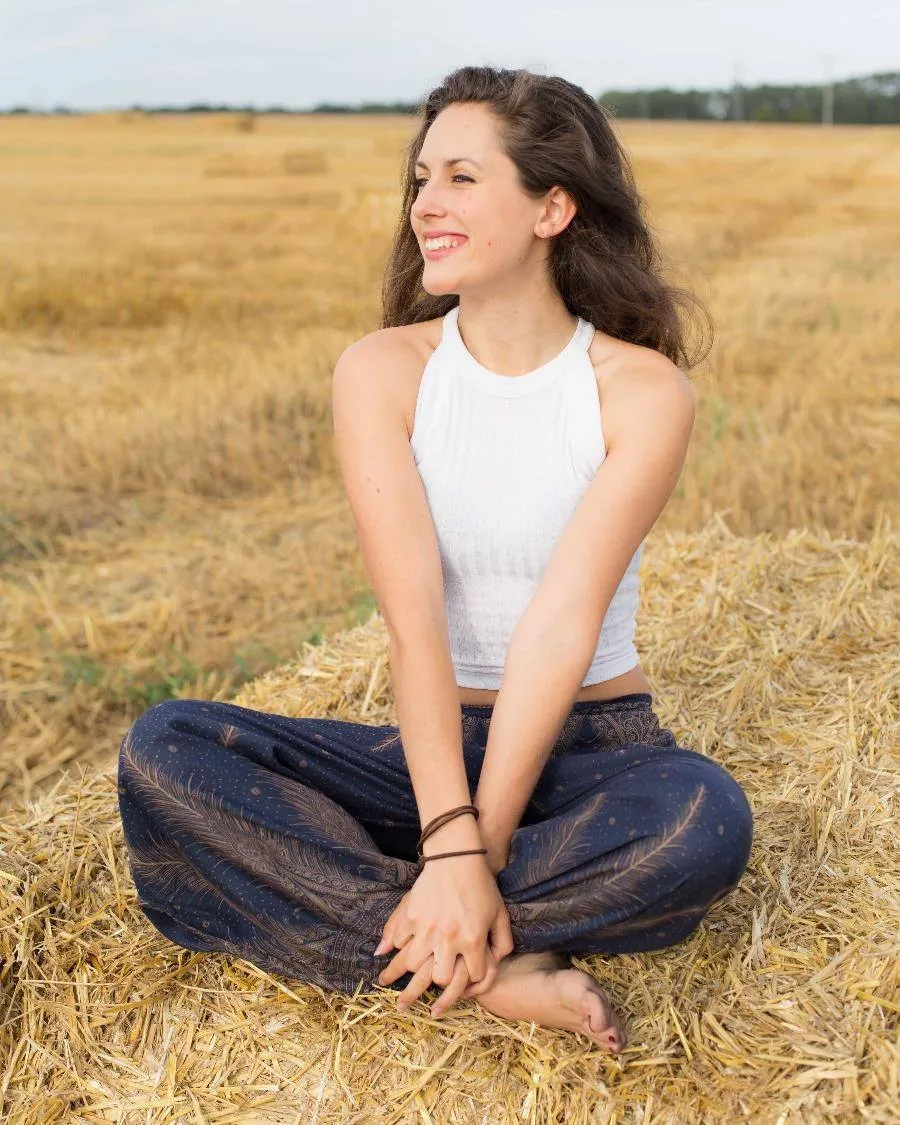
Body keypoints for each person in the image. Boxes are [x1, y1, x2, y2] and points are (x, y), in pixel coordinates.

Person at [117, 65, 753, 1054]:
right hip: (431, 751)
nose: (425, 205)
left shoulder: (640, 391)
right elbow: (414, 625)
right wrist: (448, 833)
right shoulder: (384, 372)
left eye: (461, 177)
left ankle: (424, 926)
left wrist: (472, 853)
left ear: (552, 207)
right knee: (165, 751)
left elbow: (558, 628)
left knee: (700, 821)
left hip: (596, 749)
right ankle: (491, 956)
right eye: (420, 180)